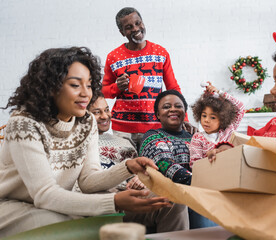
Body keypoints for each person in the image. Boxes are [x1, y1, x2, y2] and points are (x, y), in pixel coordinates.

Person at [0, 47, 173, 237]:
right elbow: (44, 194)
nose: (86, 94)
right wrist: (114, 201)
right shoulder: (24, 123)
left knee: (169, 202)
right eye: (75, 85)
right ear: (50, 87)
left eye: (89, 85)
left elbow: (88, 181)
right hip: (13, 206)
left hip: (58, 203)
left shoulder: (86, 121)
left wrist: (128, 167)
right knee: (74, 225)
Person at [87, 94, 189, 233]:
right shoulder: (81, 143)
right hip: (106, 197)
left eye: (106, 110)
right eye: (96, 112)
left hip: (134, 193)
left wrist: (142, 178)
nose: (105, 116)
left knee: (173, 200)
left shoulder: (124, 141)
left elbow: (142, 170)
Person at [102, 7, 194, 150]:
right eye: (129, 27)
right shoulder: (113, 57)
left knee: (152, 167)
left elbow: (173, 88)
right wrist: (117, 87)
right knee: (127, 169)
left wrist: (184, 118)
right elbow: (104, 91)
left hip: (155, 126)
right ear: (122, 32)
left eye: (138, 23)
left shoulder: (160, 53)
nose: (135, 28)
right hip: (123, 128)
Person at [140, 90, 217, 229]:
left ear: (184, 111)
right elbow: (165, 165)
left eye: (178, 106)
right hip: (181, 195)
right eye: (166, 107)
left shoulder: (197, 137)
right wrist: (200, 184)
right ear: (158, 114)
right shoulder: (152, 136)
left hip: (204, 191)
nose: (173, 109)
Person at [189, 82, 245, 166]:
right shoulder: (197, 138)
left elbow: (241, 108)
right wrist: (208, 157)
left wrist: (220, 93)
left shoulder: (228, 131)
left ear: (222, 119)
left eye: (212, 117)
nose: (206, 120)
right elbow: (194, 165)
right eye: (204, 116)